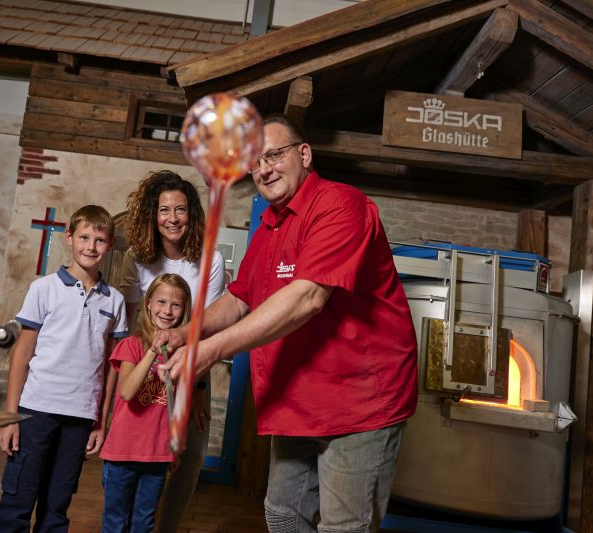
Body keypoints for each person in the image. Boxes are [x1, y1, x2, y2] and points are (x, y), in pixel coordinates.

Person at [158, 114, 419, 532]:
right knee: (283, 514)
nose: (263, 169)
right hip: (300, 395)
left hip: (360, 400)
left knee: (343, 527)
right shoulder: (269, 225)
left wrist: (212, 349)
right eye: (255, 162)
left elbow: (308, 297)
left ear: (304, 154)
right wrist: (187, 331)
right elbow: (241, 296)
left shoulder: (340, 204)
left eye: (273, 155)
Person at [0, 205, 128, 533]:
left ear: (109, 245)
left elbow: (112, 369)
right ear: (69, 238)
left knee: (57, 506)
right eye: (84, 237)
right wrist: (10, 417)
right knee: (18, 499)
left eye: (99, 240)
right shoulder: (44, 288)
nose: (90, 247)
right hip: (35, 410)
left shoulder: (115, 301)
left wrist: (101, 421)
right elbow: (21, 355)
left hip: (80, 415)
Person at [119, 170, 225, 532]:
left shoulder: (209, 259)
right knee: (136, 452)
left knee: (190, 455)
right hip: (144, 363)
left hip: (191, 364)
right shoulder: (137, 258)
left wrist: (194, 388)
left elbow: (205, 326)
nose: (172, 218)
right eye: (164, 210)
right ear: (153, 214)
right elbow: (131, 321)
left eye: (180, 210)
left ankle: (165, 528)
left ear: (191, 215)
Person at [99, 273, 192, 533]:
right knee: (115, 523)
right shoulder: (132, 345)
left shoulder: (181, 355)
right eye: (161, 302)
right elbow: (128, 392)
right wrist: (153, 350)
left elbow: (178, 405)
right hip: (122, 453)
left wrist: (174, 449)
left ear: (184, 310)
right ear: (149, 303)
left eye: (176, 305)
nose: (167, 310)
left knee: (144, 523)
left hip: (157, 454)